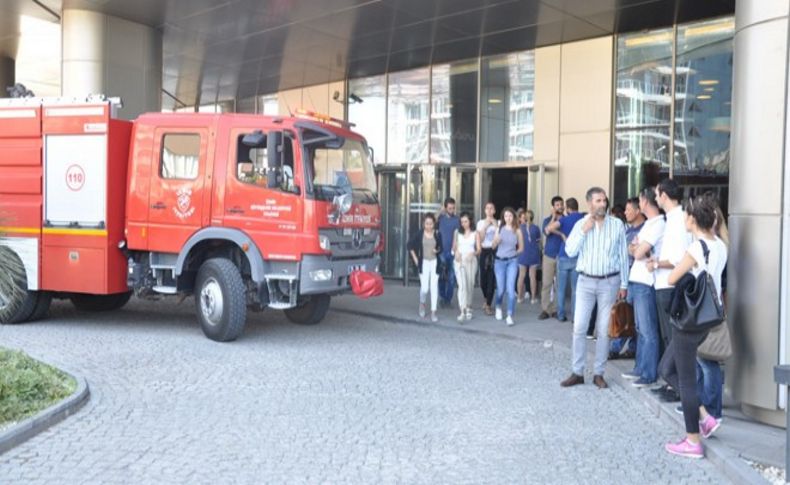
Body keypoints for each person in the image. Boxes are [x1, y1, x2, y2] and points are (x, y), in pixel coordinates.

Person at [661, 193, 727, 459]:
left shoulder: (697, 248)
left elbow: (671, 278)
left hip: (687, 322)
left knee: (686, 381)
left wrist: (683, 267)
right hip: (705, 320)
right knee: (666, 369)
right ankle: (704, 417)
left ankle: (692, 441)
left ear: (692, 219)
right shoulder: (720, 245)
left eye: (687, 215)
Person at [560, 187, 629, 389]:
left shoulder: (617, 225)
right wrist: (584, 231)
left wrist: (624, 284)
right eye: (598, 201)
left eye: (604, 200)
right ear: (589, 203)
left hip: (610, 282)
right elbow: (570, 251)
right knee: (579, 327)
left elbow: (623, 256)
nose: (602, 204)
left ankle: (599, 373)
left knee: (603, 330)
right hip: (585, 282)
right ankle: (577, 372)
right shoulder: (581, 224)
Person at [648, 179, 692, 403]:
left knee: (672, 338)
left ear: (664, 195)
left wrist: (656, 264)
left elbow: (678, 258)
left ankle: (676, 387)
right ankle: (670, 384)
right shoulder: (674, 218)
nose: (655, 198)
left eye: (657, 194)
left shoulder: (678, 220)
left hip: (670, 285)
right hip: (665, 283)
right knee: (668, 337)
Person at [621, 188, 665, 388]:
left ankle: (648, 373)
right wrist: (636, 248)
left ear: (645, 202)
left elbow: (638, 253)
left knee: (648, 330)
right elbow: (633, 247)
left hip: (647, 281)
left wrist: (637, 249)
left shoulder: (658, 224)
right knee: (640, 328)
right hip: (638, 279)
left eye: (640, 200)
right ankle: (640, 368)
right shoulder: (649, 224)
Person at [547, 197, 583, 322]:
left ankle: (561, 314)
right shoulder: (583, 219)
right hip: (577, 257)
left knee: (561, 288)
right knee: (575, 289)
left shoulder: (564, 219)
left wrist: (562, 234)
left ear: (568, 208)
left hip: (564, 255)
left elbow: (549, 228)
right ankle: (575, 316)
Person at [407, 214, 443, 323]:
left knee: (433, 287)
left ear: (434, 224)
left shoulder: (437, 234)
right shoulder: (419, 234)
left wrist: (437, 251)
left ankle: (433, 312)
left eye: (431, 224)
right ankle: (422, 303)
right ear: (423, 224)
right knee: (424, 288)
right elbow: (409, 245)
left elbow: (441, 247)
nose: (429, 226)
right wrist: (415, 259)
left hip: (435, 263)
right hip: (424, 263)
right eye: (427, 224)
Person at [492, 207, 524, 326]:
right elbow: (493, 246)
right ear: (503, 218)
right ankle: (498, 306)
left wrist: (514, 253)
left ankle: (510, 314)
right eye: (506, 216)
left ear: (513, 217)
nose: (508, 218)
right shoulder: (499, 229)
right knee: (501, 289)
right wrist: (497, 241)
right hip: (499, 261)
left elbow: (521, 248)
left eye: (510, 216)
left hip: (512, 261)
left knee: (511, 289)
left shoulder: (518, 230)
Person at [539, 196, 565, 320]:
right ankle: (545, 309)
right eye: (557, 205)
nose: (560, 207)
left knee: (559, 285)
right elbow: (546, 232)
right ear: (553, 207)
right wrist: (554, 217)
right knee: (546, 283)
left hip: (562, 256)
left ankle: (556, 309)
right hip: (549, 255)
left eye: (561, 204)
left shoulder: (566, 220)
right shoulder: (547, 220)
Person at [452, 212, 481, 322]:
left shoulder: (475, 233)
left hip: (471, 261)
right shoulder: (457, 232)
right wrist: (456, 253)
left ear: (470, 221)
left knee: (470, 284)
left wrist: (473, 253)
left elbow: (479, 249)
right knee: (462, 285)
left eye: (466, 221)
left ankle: (469, 306)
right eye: (462, 222)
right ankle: (462, 310)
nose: (464, 224)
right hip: (459, 261)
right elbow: (454, 247)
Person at [437, 198, 460, 308]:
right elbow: (431, 220)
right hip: (441, 251)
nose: (452, 210)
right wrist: (439, 211)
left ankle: (448, 299)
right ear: (445, 208)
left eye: (453, 208)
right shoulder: (441, 218)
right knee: (441, 276)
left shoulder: (457, 220)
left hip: (452, 252)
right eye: (449, 208)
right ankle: (442, 297)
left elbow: (457, 236)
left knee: (451, 277)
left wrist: (455, 250)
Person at [477, 202, 498, 316]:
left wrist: (495, 225)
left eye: (492, 208)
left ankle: (489, 304)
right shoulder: (480, 223)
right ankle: (486, 298)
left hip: (494, 251)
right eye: (487, 208)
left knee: (491, 279)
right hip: (484, 251)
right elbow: (480, 238)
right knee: (483, 280)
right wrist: (485, 226)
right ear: (485, 211)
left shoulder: (498, 223)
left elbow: (498, 238)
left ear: (494, 211)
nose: (489, 210)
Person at [517, 209, 541, 305]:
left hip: (522, 253)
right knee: (532, 277)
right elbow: (538, 241)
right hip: (533, 254)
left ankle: (519, 297)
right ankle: (533, 298)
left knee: (521, 276)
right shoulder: (536, 228)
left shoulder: (519, 228)